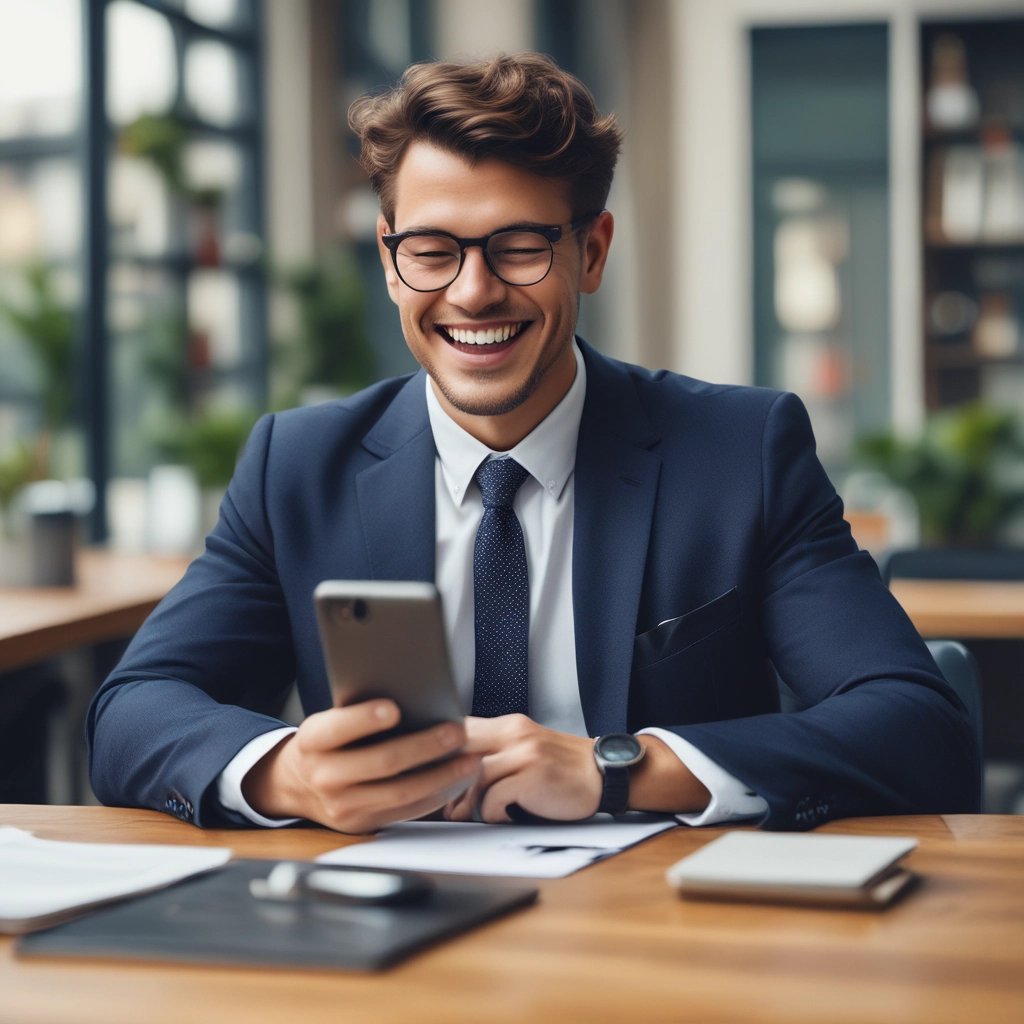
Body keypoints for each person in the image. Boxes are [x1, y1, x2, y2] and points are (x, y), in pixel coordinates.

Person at [87, 53, 979, 833]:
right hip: (386, 934)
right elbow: (132, 713)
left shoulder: (741, 451)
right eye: (432, 250)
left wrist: (613, 770)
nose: (473, 293)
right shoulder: (298, 465)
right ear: (391, 257)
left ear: (591, 252)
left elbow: (915, 726)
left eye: (519, 247)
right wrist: (289, 774)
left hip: (671, 938)